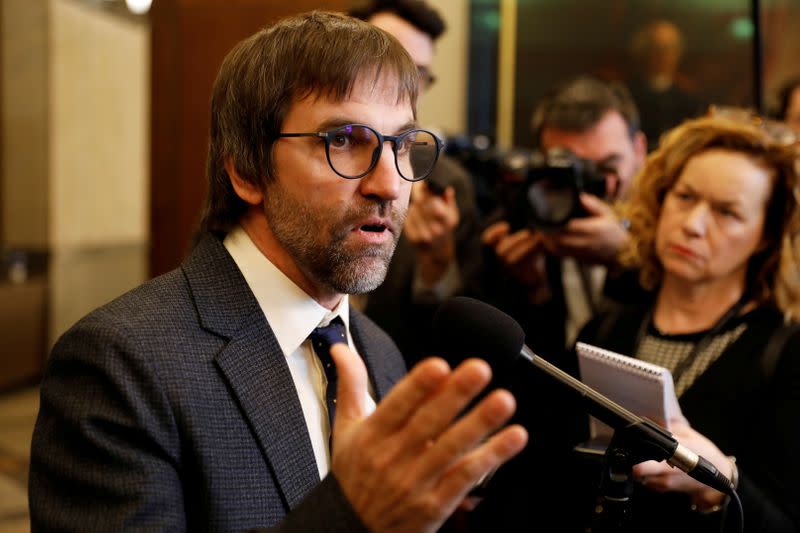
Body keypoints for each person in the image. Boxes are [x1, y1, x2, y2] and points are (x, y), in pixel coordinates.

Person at [27, 12, 527, 531]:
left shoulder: (378, 350)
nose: (390, 184)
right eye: (343, 140)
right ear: (246, 169)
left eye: (401, 145)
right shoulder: (119, 366)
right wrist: (351, 516)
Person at [575, 115, 800, 532]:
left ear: (767, 235)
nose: (692, 225)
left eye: (727, 212)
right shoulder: (607, 330)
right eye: (685, 197)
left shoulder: (786, 353)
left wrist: (719, 483)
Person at [350, 0, 482, 369]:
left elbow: (457, 344)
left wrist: (435, 268)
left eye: (418, 73)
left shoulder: (449, 183)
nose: (404, 84)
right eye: (388, 60)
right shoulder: (302, 152)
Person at [481, 75, 648, 359]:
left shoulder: (669, 228)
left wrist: (627, 257)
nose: (597, 190)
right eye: (574, 173)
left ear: (639, 150)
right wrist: (534, 292)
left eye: (608, 167)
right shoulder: (517, 224)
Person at [627, 19, 706, 148]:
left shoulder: (691, 102)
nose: (663, 55)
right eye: (656, 48)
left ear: (678, 53)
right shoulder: (627, 96)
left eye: (669, 48)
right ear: (642, 51)